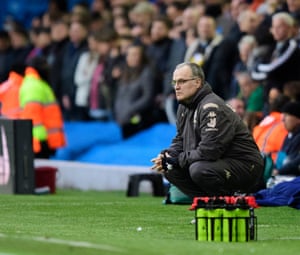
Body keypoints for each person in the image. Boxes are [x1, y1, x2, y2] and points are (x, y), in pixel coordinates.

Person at [151, 62, 264, 197]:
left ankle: (231, 200)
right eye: (174, 82)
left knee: (199, 169)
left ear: (198, 82)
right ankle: (208, 203)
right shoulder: (184, 107)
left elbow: (209, 151)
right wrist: (168, 156)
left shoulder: (211, 107)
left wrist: (178, 158)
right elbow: (180, 138)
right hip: (218, 163)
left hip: (245, 165)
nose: (176, 87)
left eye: (182, 81)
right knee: (169, 168)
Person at [19, 56, 66, 159]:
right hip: (39, 140)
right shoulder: (34, 85)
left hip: (40, 138)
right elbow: (32, 116)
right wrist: (41, 140)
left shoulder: (36, 83)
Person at [272, 101, 300, 176]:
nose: (283, 120)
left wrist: (279, 171)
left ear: (298, 119)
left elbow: (295, 161)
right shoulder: (287, 137)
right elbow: (281, 157)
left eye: (287, 115)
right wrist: (275, 169)